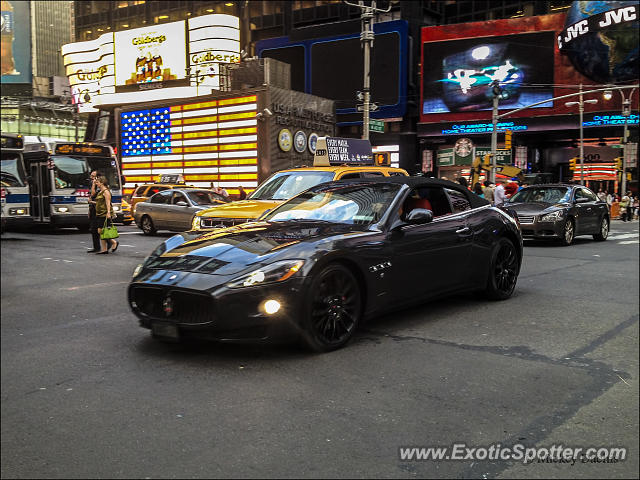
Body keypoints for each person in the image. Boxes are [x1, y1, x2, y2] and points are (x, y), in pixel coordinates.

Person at [93, 175, 119, 254]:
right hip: (99, 213)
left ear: (102, 183)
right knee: (101, 231)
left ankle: (113, 242)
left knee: (101, 231)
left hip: (104, 214)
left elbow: (108, 203)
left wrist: (108, 212)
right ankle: (104, 249)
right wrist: (91, 202)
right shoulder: (100, 192)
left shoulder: (106, 192)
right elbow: (99, 202)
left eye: (97, 182)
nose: (96, 184)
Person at [86, 170, 102, 253]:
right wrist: (89, 210)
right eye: (91, 176)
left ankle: (111, 242)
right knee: (93, 229)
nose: (91, 178)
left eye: (93, 176)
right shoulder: (92, 184)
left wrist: (93, 184)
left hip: (99, 210)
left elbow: (93, 195)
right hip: (93, 209)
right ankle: (96, 247)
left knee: (99, 229)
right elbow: (91, 198)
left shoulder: (100, 186)